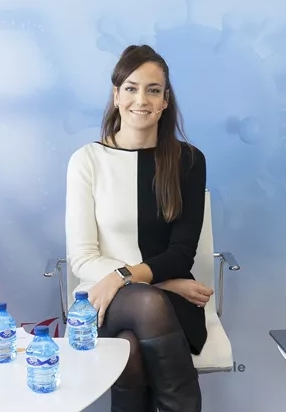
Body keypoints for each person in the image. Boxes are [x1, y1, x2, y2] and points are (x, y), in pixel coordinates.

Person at [66, 44, 207, 412]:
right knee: (146, 304)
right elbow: (82, 258)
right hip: (102, 295)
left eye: (153, 90)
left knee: (131, 346)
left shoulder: (189, 161)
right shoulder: (87, 161)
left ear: (165, 100)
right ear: (116, 96)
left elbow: (181, 254)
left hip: (169, 304)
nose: (141, 100)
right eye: (131, 88)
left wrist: (127, 278)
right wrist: (149, 282)